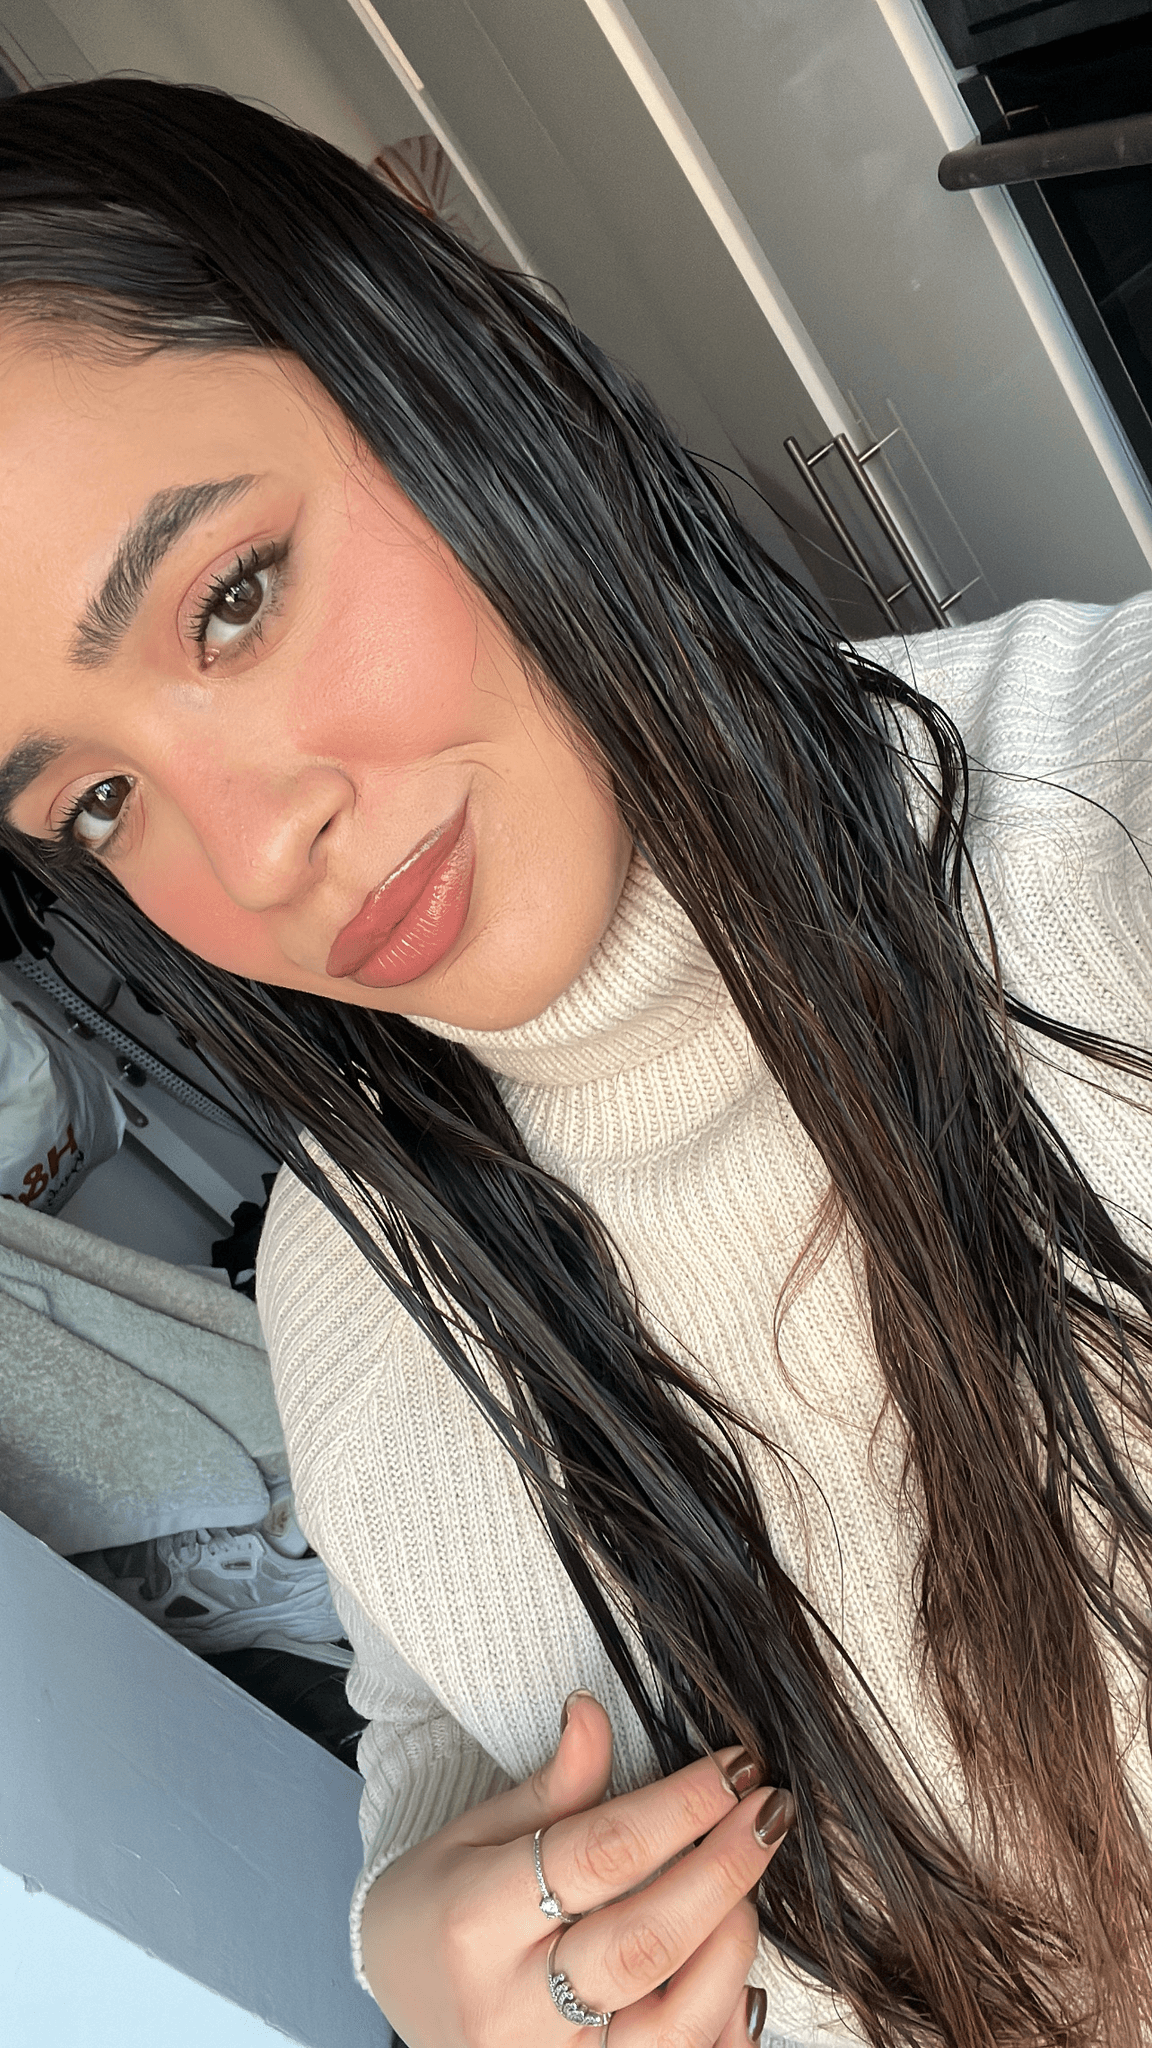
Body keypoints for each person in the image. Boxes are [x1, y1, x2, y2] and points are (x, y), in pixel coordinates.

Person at [0, 76, 1150, 2048]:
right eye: (98, 800)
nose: (254, 853)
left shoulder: (1099, 819)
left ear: (446, 369)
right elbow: (435, 1687)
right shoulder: (349, 1282)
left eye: (235, 598)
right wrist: (413, 1921)